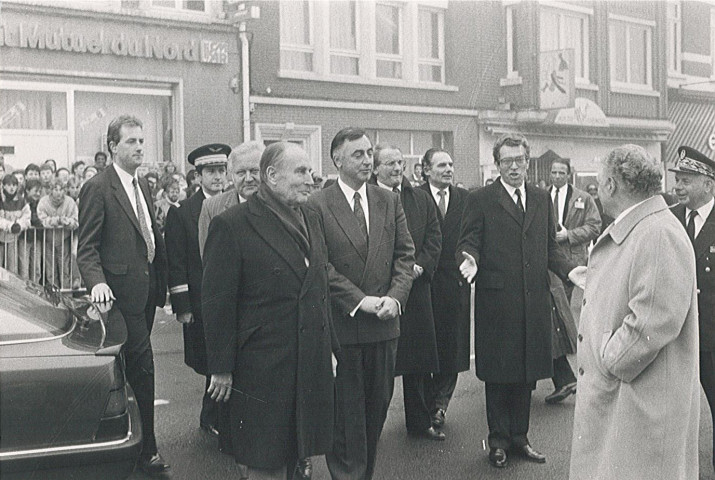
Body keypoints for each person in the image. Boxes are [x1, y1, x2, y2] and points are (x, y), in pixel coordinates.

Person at [202, 142, 337, 480]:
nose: (311, 178)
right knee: (265, 462)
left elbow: (318, 287)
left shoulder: (310, 216)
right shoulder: (232, 225)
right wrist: (221, 368)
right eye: (301, 171)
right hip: (261, 369)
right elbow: (218, 303)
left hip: (306, 360)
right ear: (272, 176)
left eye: (310, 170)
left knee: (295, 454)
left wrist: (329, 347)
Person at [569, 144, 699, 479]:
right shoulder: (647, 227)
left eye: (599, 184)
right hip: (628, 398)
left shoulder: (655, 232)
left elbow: (652, 322)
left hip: (639, 403)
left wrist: (609, 359)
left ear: (611, 184)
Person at [456, 133, 577, 469]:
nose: (513, 166)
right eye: (506, 161)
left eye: (519, 160)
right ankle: (497, 441)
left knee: (526, 372)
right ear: (497, 164)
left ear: (528, 161)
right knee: (498, 373)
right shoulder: (480, 199)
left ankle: (520, 438)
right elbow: (469, 241)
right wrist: (469, 259)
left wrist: (571, 271)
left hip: (532, 300)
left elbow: (550, 247)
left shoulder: (540, 198)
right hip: (497, 301)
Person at [307, 127, 415, 480]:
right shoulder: (317, 205)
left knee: (375, 414)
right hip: (345, 326)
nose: (368, 160)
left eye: (370, 153)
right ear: (337, 159)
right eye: (358, 154)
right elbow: (322, 266)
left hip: (385, 325)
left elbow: (405, 256)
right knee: (345, 418)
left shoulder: (388, 200)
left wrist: (395, 299)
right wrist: (361, 301)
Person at [77, 115, 169, 477]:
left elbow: (148, 236)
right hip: (119, 298)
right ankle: (147, 451)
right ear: (112, 146)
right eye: (131, 141)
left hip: (145, 294)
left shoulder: (141, 184)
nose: (140, 147)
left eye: (142, 141)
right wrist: (97, 282)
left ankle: (128, 444)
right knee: (142, 369)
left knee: (133, 370)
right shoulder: (99, 187)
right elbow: (87, 248)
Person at [371, 144, 443, 441]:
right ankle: (371, 426)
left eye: (400, 162)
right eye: (390, 163)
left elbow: (434, 238)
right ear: (376, 169)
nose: (398, 167)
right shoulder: (368, 198)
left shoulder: (421, 199)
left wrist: (420, 267)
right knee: (379, 365)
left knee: (417, 364)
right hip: (381, 291)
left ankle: (419, 421)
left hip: (416, 291)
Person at [165, 143, 228, 439]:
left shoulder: (236, 203)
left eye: (221, 170)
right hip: (202, 300)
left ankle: (222, 415)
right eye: (211, 171)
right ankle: (211, 415)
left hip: (230, 296)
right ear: (198, 176)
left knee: (227, 357)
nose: (217, 177)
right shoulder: (182, 212)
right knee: (210, 361)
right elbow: (175, 262)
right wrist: (183, 306)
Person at [669, 145, 715, 473]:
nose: (678, 187)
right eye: (677, 180)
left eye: (686, 180)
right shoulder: (669, 219)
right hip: (676, 336)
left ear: (709, 184)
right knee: (675, 415)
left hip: (713, 337)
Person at [418, 148, 470, 431]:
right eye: (441, 165)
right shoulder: (415, 198)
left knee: (453, 345)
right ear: (426, 169)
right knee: (427, 345)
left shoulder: (465, 199)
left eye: (450, 164)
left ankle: (440, 405)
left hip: (455, 283)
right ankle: (425, 404)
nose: (448, 169)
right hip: (425, 283)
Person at [545, 158, 601, 404]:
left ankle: (564, 373)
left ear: (569, 174)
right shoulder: (542, 196)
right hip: (548, 265)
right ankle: (562, 375)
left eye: (562, 172)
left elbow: (594, 226)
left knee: (557, 317)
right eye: (554, 172)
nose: (557, 176)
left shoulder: (582, 199)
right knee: (554, 316)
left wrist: (569, 235)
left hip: (572, 262)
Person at [198, 141, 264, 257]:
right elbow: (209, 260)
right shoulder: (211, 207)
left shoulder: (281, 204)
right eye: (241, 173)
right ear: (231, 176)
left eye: (254, 171)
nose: (248, 179)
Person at [37, 178, 78, 289]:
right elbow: (42, 219)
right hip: (49, 239)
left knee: (65, 268)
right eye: (55, 189)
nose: (58, 192)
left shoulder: (70, 202)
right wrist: (56, 220)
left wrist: (68, 222)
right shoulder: (43, 202)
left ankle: (67, 295)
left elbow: (76, 220)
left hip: (64, 239)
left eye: (61, 189)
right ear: (50, 190)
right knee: (50, 269)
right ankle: (53, 297)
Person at [0, 174, 31, 274]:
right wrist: (9, 226)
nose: (12, 187)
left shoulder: (21, 201)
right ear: (3, 186)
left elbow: (27, 216)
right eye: (8, 185)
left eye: (14, 185)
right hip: (1, 238)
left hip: (14, 239)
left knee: (12, 268)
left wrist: (19, 225)